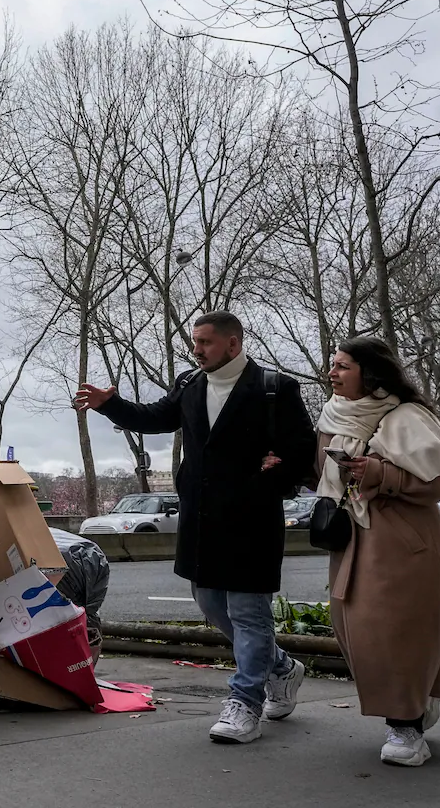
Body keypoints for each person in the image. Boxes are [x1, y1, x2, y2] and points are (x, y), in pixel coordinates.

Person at [75, 311, 317, 744]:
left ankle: (245, 703)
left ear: (233, 344)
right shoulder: (190, 383)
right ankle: (281, 666)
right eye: (194, 341)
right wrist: (108, 403)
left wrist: (269, 481)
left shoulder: (274, 388)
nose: (196, 349)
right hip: (201, 518)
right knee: (210, 605)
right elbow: (156, 417)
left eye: (205, 342)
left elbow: (301, 453)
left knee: (248, 612)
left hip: (252, 520)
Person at [317, 336, 440, 767]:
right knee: (355, 632)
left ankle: (406, 725)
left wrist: (380, 472)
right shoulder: (333, 416)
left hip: (402, 541)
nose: (332, 373)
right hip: (351, 539)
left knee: (399, 632)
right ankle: (413, 704)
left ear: (371, 372)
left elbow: (439, 481)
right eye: (333, 365)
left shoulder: (407, 416)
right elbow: (321, 475)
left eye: (343, 366)